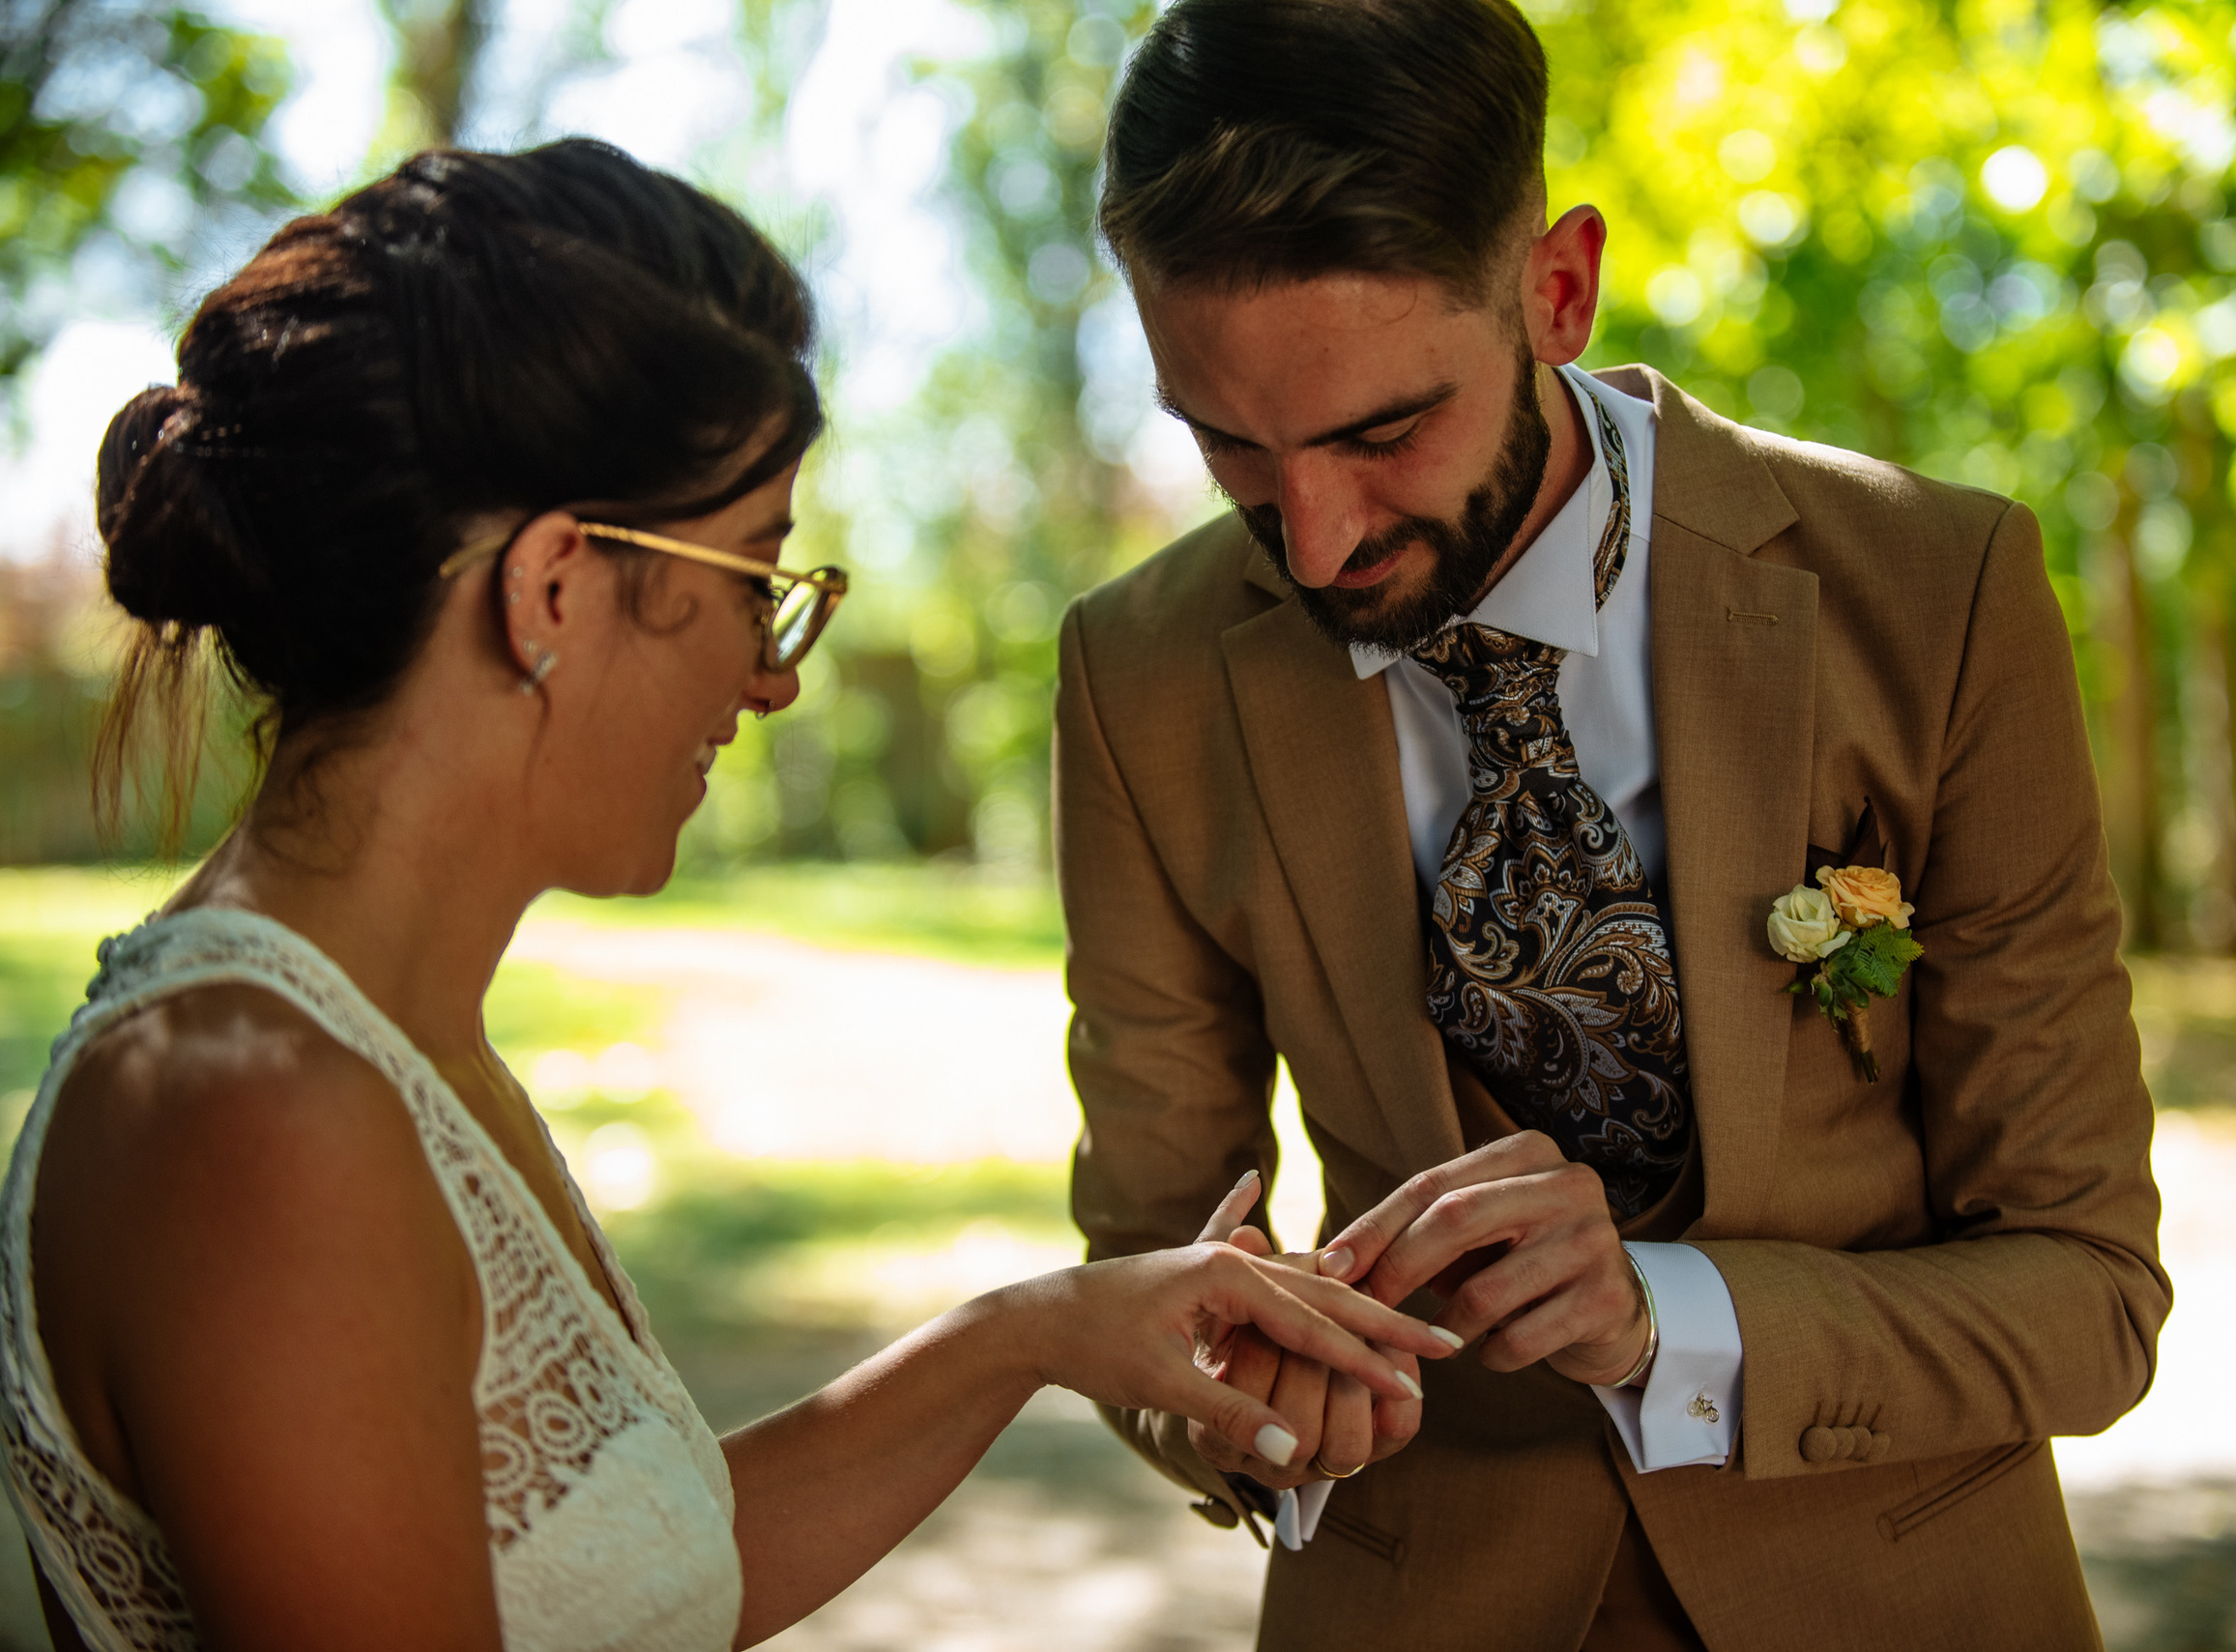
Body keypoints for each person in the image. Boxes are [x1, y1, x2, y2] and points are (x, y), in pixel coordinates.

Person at [0, 139, 1461, 1652]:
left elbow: (636, 1573)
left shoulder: (382, 1043)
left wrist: (1033, 1332)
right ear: (555, 586)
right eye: (756, 579)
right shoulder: (258, 1117)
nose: (773, 680)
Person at [1054, 2, 2172, 1647]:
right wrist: (1243, 1396)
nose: (1313, 539)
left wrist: (1670, 1316)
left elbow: (2090, 1290)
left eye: (1383, 432)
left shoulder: (1938, 596)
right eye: (1225, 441)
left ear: (1557, 290)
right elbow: (1150, 1252)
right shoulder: (1135, 676)